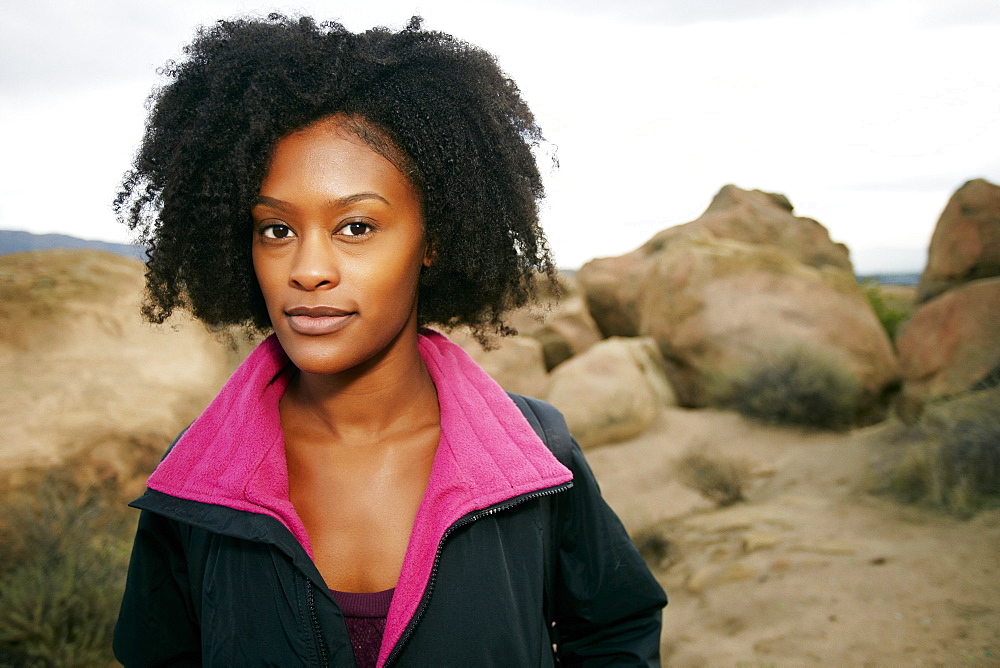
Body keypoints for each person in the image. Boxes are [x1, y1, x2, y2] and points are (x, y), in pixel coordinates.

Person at [112, 14, 666, 667]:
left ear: (433, 239)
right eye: (276, 230)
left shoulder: (537, 459)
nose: (308, 269)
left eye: (355, 226)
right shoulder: (197, 478)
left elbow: (614, 633)